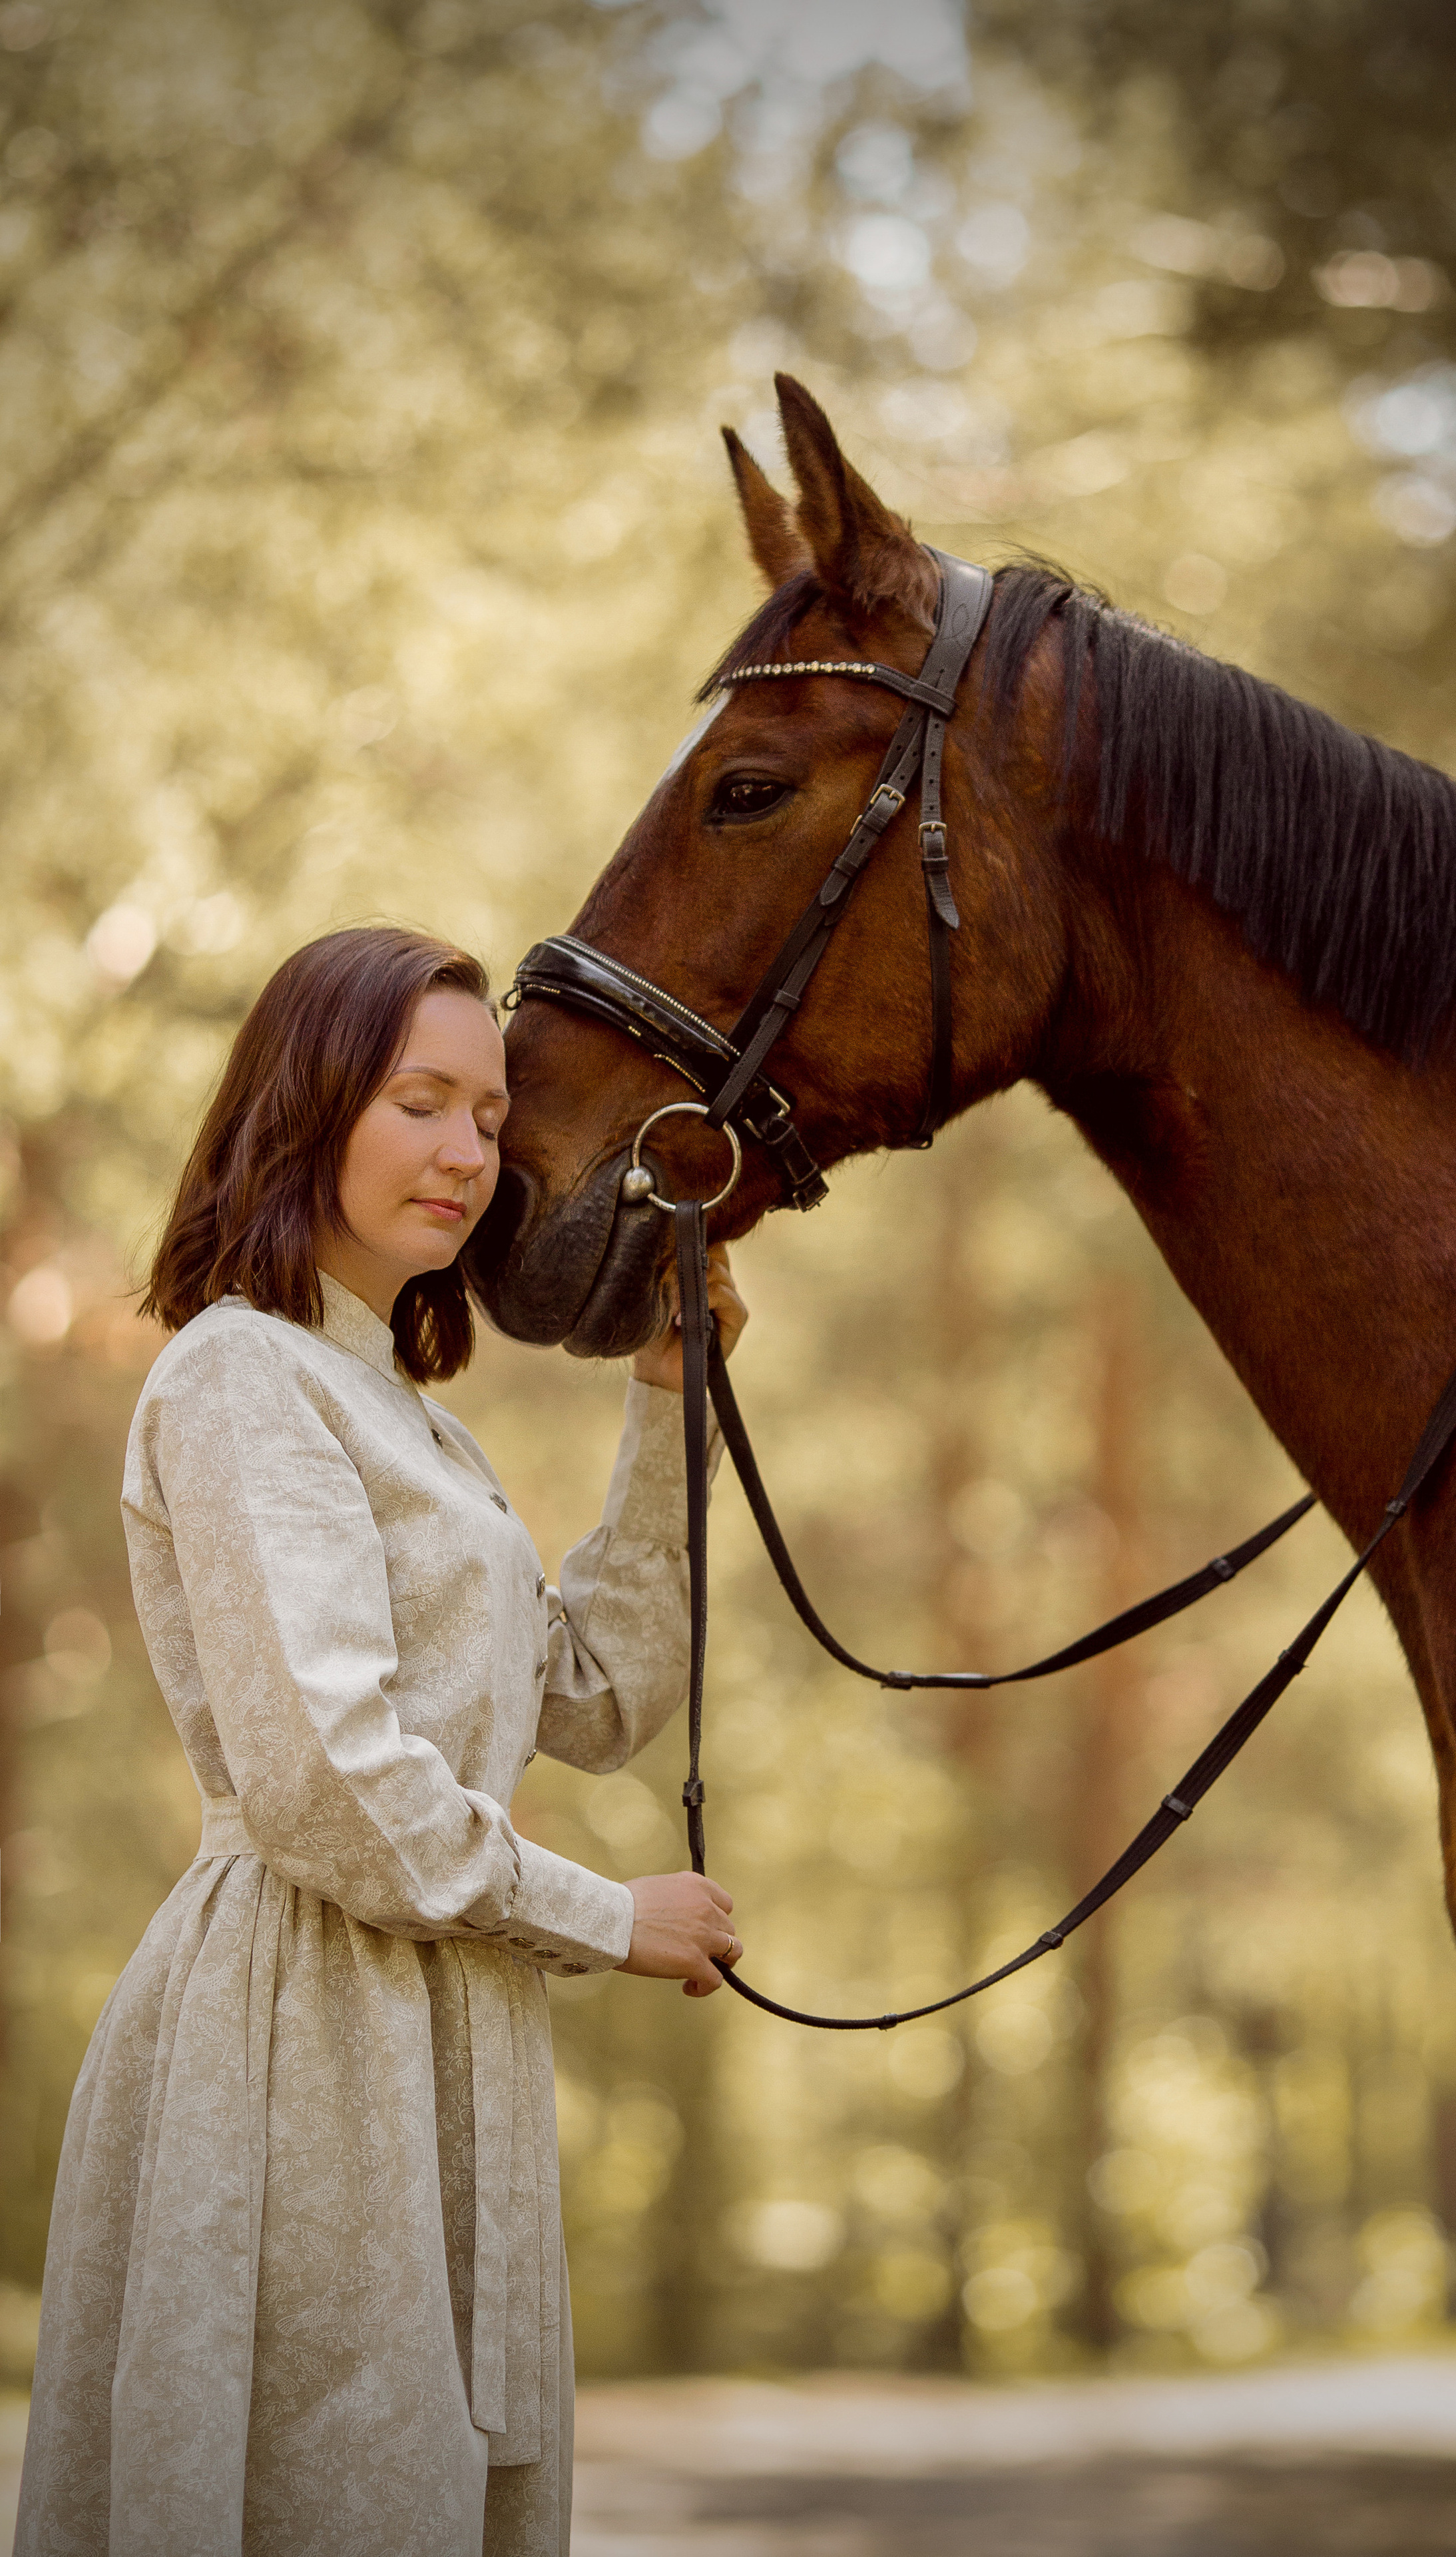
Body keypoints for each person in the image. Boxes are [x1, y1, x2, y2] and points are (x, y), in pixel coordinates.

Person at [15, 924, 744, 2557]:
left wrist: (665, 1397)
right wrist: (607, 1917)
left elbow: (595, 1698)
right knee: (320, 2491)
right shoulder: (240, 1377)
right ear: (306, 1104)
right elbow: (327, 1783)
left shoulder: (414, 1420)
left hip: (448, 2014)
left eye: (489, 1118)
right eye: (421, 1104)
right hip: (300, 2021)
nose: (470, 1155)